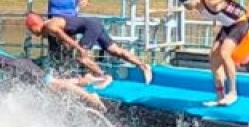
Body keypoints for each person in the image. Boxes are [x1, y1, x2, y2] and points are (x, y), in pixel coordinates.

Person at [178, 0, 249, 106]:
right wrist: (215, 21)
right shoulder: (197, 4)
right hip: (228, 25)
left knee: (224, 52)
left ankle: (233, 93)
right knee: (213, 57)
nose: (186, 7)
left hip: (241, 21)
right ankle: (220, 96)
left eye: (186, 4)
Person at [24, 12, 153, 84]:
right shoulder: (51, 24)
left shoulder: (50, 26)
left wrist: (80, 49)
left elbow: (65, 37)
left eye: (31, 30)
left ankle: (104, 77)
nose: (33, 34)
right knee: (114, 50)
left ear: (35, 26)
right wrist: (74, 46)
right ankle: (143, 65)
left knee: (82, 58)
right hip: (94, 23)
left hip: (91, 27)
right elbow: (69, 34)